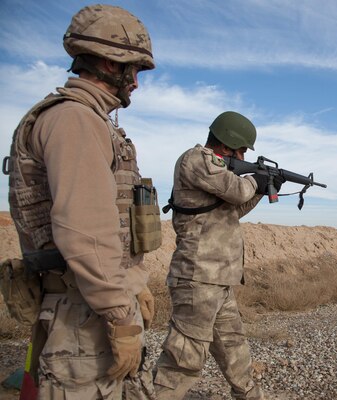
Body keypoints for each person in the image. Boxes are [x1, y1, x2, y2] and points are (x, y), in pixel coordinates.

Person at [4, 4, 160, 399]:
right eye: (134, 69)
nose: (137, 83)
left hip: (89, 303)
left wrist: (132, 284)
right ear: (110, 63)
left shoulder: (89, 120)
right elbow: (86, 232)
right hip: (83, 314)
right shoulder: (75, 120)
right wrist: (119, 312)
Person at [154, 111, 283, 399]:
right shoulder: (196, 159)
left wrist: (263, 189)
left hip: (219, 279)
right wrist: (256, 180)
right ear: (228, 145)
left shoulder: (219, 176)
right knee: (183, 360)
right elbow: (238, 191)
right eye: (241, 150)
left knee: (234, 349)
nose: (242, 155)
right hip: (197, 278)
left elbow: (234, 210)